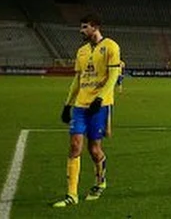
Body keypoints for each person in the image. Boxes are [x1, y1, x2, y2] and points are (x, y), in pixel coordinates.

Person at [52, 14, 122, 207]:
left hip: (99, 106)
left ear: (95, 27)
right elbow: (77, 80)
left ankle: (100, 182)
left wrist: (100, 99)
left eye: (84, 27)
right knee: (75, 146)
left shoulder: (111, 47)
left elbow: (114, 76)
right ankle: (71, 194)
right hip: (80, 106)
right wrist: (67, 104)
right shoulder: (81, 52)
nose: (81, 31)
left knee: (94, 149)